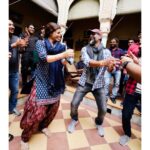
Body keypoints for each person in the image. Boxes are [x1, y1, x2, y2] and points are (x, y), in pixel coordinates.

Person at [20, 22, 74, 150]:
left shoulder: (61, 46)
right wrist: (63, 55)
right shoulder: (41, 43)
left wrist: (66, 59)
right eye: (58, 32)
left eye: (61, 32)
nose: (60, 34)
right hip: (41, 81)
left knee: (52, 109)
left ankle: (44, 126)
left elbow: (62, 62)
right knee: (36, 111)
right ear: (50, 32)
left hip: (56, 81)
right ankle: (25, 137)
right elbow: (44, 58)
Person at [67, 29, 117, 136]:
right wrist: (104, 62)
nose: (91, 35)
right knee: (74, 103)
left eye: (94, 34)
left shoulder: (107, 52)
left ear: (100, 36)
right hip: (85, 82)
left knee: (103, 109)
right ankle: (74, 119)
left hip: (99, 84)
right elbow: (88, 62)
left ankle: (98, 122)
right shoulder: (85, 49)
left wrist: (111, 66)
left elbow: (110, 70)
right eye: (91, 34)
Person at [119, 45, 141, 146]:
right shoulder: (133, 56)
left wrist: (137, 64)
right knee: (126, 114)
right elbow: (124, 70)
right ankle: (127, 134)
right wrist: (125, 64)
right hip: (132, 90)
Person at [9, 20, 28, 116]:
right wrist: (14, 45)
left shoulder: (16, 38)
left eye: (13, 24)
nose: (12, 26)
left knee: (15, 91)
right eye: (9, 24)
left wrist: (22, 47)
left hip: (14, 70)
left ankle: (11, 108)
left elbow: (21, 51)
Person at [104, 37, 125, 103]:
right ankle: (105, 96)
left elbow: (123, 59)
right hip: (108, 69)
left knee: (116, 84)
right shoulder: (107, 50)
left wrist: (122, 66)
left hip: (117, 70)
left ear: (117, 43)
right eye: (111, 42)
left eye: (113, 42)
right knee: (106, 83)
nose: (112, 43)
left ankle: (113, 96)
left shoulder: (120, 51)